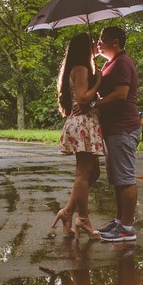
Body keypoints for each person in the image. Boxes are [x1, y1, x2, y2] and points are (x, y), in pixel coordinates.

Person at [81, 25, 139, 242]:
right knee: (117, 178)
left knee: (125, 177)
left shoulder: (122, 62)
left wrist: (96, 103)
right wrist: (93, 56)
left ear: (115, 42)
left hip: (123, 127)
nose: (98, 43)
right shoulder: (110, 63)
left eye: (102, 40)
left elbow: (121, 94)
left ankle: (127, 228)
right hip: (113, 129)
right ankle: (118, 221)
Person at [51, 32, 106, 238]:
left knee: (93, 173)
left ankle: (67, 212)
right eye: (92, 43)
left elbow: (84, 99)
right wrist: (99, 81)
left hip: (85, 123)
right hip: (83, 124)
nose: (95, 46)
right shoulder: (82, 68)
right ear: (84, 48)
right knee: (83, 174)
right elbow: (83, 99)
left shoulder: (81, 68)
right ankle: (83, 219)